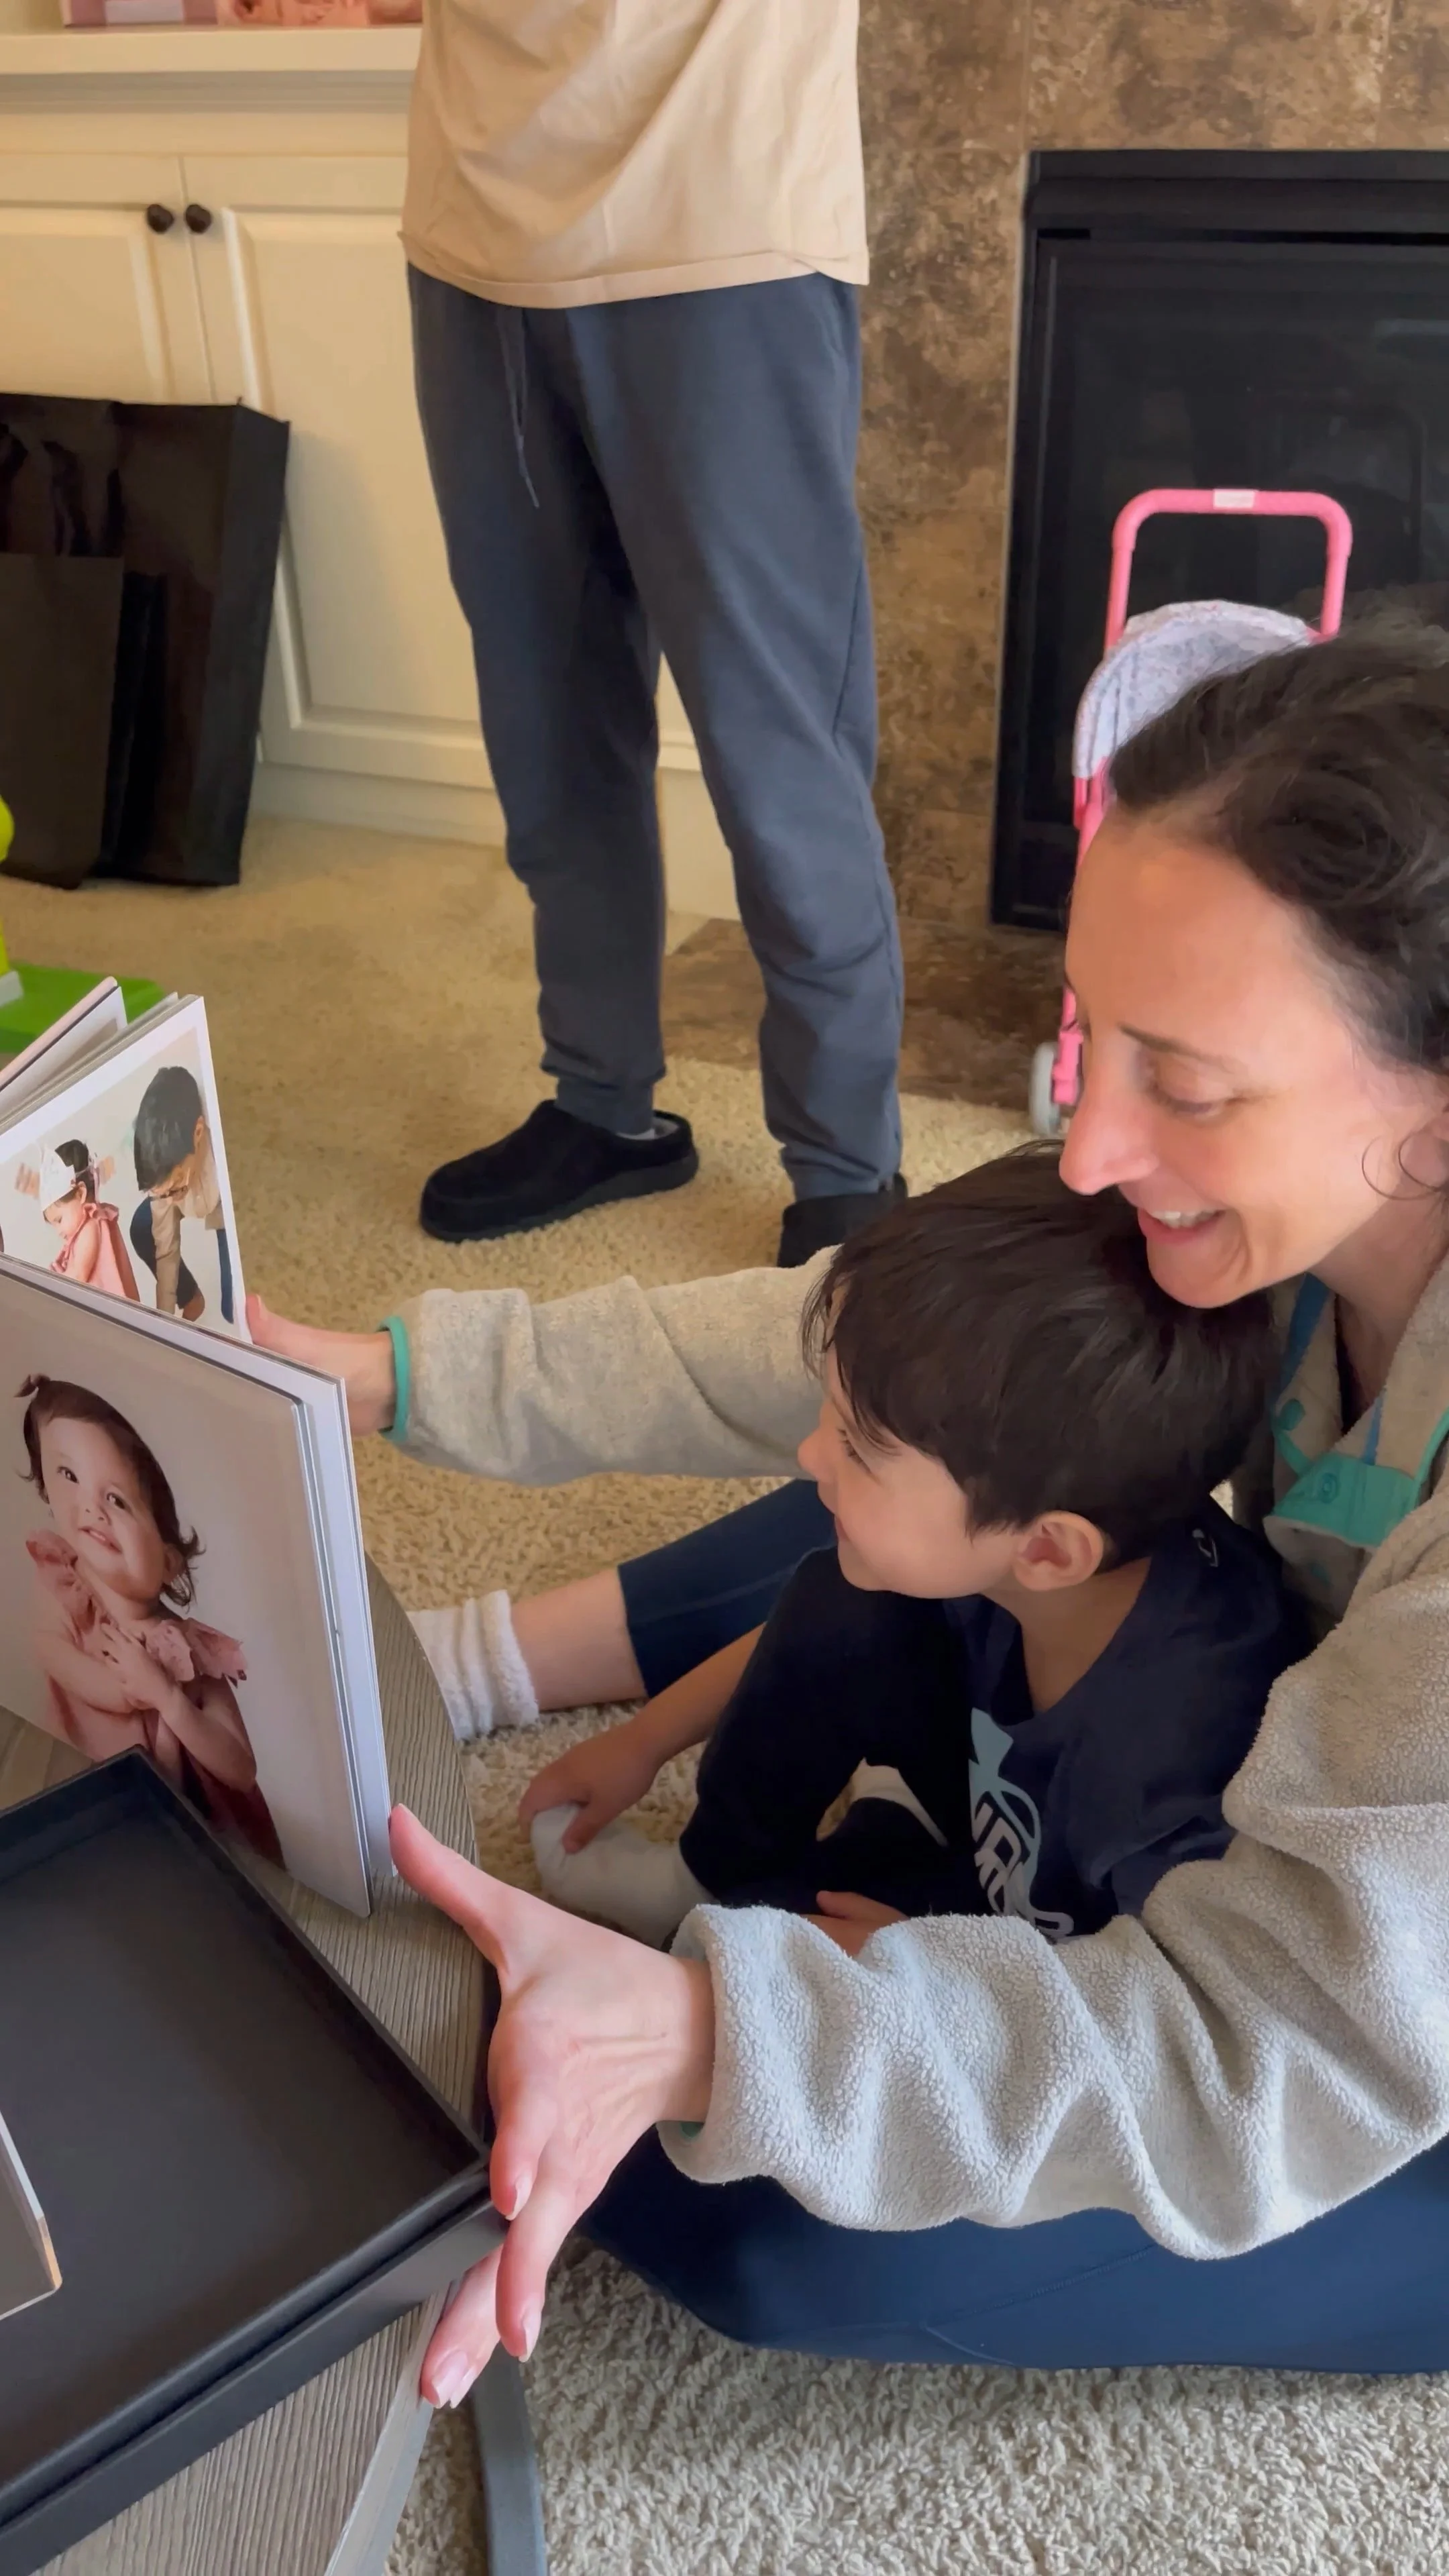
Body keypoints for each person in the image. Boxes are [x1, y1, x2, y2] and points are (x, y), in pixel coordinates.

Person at [253, 617, 1449, 2396]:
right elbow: (871, 1340)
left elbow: (1260, 2042)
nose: (1094, 1147)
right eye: (1091, 1041)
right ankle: (487, 1654)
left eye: (1182, 1085)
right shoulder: (1277, 1214)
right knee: (927, 1457)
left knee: (778, 2204)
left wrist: (722, 2031)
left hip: (1371, 2029)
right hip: (1293, 1736)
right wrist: (384, 1372)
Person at [402, 0, 904, 1267]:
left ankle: (850, 1174)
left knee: (779, 757)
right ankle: (602, 1105)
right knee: (548, 739)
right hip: (474, 232)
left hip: (722, 220)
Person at [522, 1152, 1303, 1951]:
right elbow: (812, 1636)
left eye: (858, 1447)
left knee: (734, 1960)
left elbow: (1153, 2020)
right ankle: (721, 1866)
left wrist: (946, 1978)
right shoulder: (1046, 1544)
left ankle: (874, 1837)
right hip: (971, 1801)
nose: (810, 1454)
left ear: (1046, 1548)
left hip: (1035, 1952)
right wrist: (645, 1740)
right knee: (850, 1589)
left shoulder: (1165, 1780)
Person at [19, 1374, 282, 1862]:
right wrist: (125, 1690)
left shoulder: (188, 1652)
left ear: (169, 1561)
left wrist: (167, 1696)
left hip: (185, 1839)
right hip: (80, 1806)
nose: (93, 1510)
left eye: (117, 1500)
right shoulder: (63, 1586)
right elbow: (47, 1650)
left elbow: (241, 1770)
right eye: (70, 1476)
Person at [129, 1065, 233, 1329]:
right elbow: (167, 1252)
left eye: (175, 1187)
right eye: (162, 1193)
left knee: (233, 1309)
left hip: (225, 1205)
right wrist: (165, 1322)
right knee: (144, 1226)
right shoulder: (164, 1186)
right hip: (197, 1191)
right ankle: (192, 1299)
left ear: (198, 1133)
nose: (171, 1199)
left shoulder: (222, 1153)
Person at [36, 1140, 140, 1301]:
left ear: (80, 1193)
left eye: (59, 1220)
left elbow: (79, 1276)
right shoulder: (82, 1231)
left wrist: (53, 1283)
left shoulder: (90, 1227)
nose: (59, 1231)